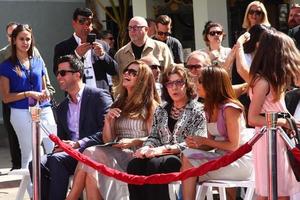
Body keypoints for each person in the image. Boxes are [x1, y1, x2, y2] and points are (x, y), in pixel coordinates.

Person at [66, 60, 160, 200]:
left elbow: (156, 139)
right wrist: (108, 122)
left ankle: (71, 197)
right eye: (126, 71)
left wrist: (133, 141)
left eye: (133, 72)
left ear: (142, 79)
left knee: (90, 154)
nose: (127, 73)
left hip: (137, 156)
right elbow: (108, 140)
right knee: (91, 165)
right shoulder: (119, 102)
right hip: (116, 151)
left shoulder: (150, 106)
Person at [33, 55, 112, 200]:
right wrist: (61, 145)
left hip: (94, 152)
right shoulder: (62, 107)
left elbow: (107, 132)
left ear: (77, 74)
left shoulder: (99, 96)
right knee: (36, 163)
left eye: (63, 73)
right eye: (57, 73)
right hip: (70, 155)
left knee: (57, 161)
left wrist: (78, 144)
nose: (58, 76)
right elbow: (63, 138)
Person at [127, 65, 207, 200]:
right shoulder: (161, 109)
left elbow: (196, 141)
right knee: (134, 165)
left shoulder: (198, 110)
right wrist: (147, 147)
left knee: (155, 164)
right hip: (158, 154)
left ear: (187, 85)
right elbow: (153, 136)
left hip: (184, 158)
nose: (174, 87)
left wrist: (163, 150)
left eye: (179, 82)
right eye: (170, 83)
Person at [181, 66, 253, 200]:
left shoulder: (231, 109)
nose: (196, 85)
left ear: (212, 84)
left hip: (238, 162)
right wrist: (195, 144)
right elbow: (211, 144)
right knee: (187, 155)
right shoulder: (209, 108)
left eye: (200, 81)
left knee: (188, 161)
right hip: (221, 158)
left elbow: (233, 146)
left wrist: (204, 141)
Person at [247, 29, 300, 199]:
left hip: (278, 138)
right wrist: (283, 122)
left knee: (278, 192)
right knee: (275, 192)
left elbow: (277, 109)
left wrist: (289, 121)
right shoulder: (263, 82)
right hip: (268, 139)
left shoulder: (273, 79)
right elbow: (252, 118)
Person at [0, 24, 56, 170]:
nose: (25, 42)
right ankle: (32, 192)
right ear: (13, 41)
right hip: (20, 112)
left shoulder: (38, 61)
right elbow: (6, 97)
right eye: (21, 39)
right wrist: (28, 94)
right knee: (29, 154)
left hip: (43, 110)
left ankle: (56, 186)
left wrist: (47, 93)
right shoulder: (6, 65)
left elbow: (44, 87)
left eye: (28, 39)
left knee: (55, 149)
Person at [53, 7, 118, 91]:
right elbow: (58, 73)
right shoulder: (62, 47)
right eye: (82, 21)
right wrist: (75, 55)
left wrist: (103, 55)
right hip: (76, 97)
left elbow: (115, 71)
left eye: (89, 22)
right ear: (74, 23)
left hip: (101, 96)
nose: (86, 25)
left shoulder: (102, 45)